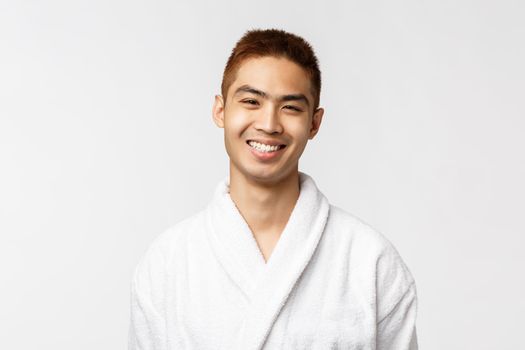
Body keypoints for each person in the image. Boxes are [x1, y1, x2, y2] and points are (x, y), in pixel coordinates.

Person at [128, 28, 418, 350]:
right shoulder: (168, 262)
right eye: (251, 101)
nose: (268, 124)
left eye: (290, 107)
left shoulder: (370, 261)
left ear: (314, 123)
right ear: (220, 110)